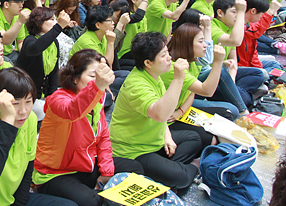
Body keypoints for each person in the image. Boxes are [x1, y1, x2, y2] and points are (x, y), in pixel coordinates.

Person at [0, 68, 76, 206]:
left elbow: (28, 169)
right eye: (15, 103)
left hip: (10, 201)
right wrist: (7, 122)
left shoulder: (30, 119)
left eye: (28, 101)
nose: (23, 111)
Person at [34, 49, 145, 206]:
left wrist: (107, 172)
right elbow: (73, 111)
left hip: (86, 164)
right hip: (56, 172)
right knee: (91, 201)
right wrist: (98, 86)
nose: (98, 80)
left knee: (134, 168)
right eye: (93, 76)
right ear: (74, 78)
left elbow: (104, 138)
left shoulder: (97, 99)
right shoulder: (57, 99)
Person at [110, 32, 201, 193]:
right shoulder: (136, 84)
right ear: (148, 62)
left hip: (153, 139)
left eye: (167, 51)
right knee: (182, 177)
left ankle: (167, 174)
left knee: (193, 138)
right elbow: (160, 114)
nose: (169, 57)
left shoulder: (154, 75)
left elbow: (163, 114)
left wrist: (167, 135)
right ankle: (187, 170)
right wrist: (178, 79)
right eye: (164, 54)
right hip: (134, 150)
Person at [162, 21, 231, 147]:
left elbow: (191, 94)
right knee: (211, 139)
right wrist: (218, 62)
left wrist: (180, 112)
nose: (205, 45)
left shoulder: (192, 62)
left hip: (181, 112)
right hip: (167, 121)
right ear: (187, 44)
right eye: (200, 41)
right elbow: (207, 91)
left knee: (228, 114)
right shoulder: (175, 67)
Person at [211, 0, 265, 111]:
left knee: (259, 74)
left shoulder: (230, 27)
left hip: (226, 73)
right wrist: (241, 12)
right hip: (213, 76)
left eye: (238, 12)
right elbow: (235, 41)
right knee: (244, 100)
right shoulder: (212, 27)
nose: (237, 15)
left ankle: (235, 93)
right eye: (233, 12)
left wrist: (232, 81)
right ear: (220, 13)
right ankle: (240, 95)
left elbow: (233, 60)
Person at [16, 7, 71, 102]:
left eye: (55, 19)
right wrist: (59, 27)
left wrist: (53, 97)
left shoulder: (54, 43)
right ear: (39, 22)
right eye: (52, 19)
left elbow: (54, 73)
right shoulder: (29, 40)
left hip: (44, 96)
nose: (56, 22)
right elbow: (36, 48)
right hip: (25, 95)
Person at [238, 0, 284, 74]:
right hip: (242, 66)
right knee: (263, 74)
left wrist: (258, 66)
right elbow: (256, 31)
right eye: (262, 14)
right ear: (253, 11)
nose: (261, 17)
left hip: (250, 63)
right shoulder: (239, 24)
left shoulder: (248, 23)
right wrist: (270, 11)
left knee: (275, 64)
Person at [117, 0, 149, 69]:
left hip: (137, 50)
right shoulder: (126, 15)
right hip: (124, 52)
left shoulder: (144, 18)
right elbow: (138, 16)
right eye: (142, 0)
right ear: (133, 0)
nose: (145, 2)